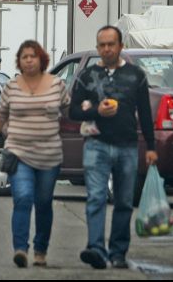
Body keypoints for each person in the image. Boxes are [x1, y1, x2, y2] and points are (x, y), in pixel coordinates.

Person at [69, 26, 158, 270]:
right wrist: (96, 110)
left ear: (120, 46)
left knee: (124, 201)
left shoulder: (136, 75)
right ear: (97, 48)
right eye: (102, 45)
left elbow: (146, 114)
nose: (106, 49)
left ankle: (118, 253)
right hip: (96, 145)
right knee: (96, 197)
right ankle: (96, 249)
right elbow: (73, 111)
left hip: (127, 146)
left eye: (111, 44)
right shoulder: (86, 76)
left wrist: (150, 146)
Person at [0, 40, 70, 269]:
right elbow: (0, 116)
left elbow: (69, 111)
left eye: (33, 56)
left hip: (49, 155)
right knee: (23, 198)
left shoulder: (57, 84)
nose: (29, 60)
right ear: (19, 61)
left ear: (42, 59)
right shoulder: (12, 87)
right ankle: (20, 249)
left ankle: (40, 250)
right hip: (19, 152)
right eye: (24, 56)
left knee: (44, 202)